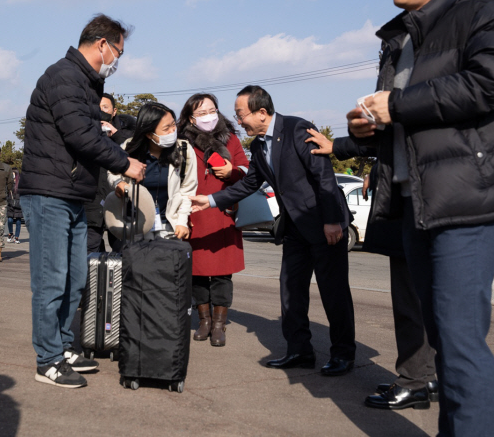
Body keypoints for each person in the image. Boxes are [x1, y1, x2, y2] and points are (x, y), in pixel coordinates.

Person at [346, 0, 494, 434]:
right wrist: (368, 128)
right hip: (414, 203)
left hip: (466, 200)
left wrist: (397, 103)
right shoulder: (400, 37)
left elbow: (493, 82)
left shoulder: (484, 13)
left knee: (458, 337)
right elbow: (407, 121)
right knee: (443, 340)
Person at [190, 85, 356, 376]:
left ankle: (342, 354)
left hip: (324, 225)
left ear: (262, 112)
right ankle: (299, 351)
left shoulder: (297, 129)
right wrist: (211, 200)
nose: (238, 121)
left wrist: (331, 219)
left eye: (241, 115)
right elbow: (249, 183)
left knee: (334, 293)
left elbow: (323, 175)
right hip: (294, 228)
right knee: (290, 292)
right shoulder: (257, 146)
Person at [19, 14, 145, 389]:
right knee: (51, 280)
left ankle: (63, 345)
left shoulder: (87, 84)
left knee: (75, 279)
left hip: (73, 194)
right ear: (102, 44)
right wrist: (125, 163)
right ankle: (48, 359)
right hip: (49, 193)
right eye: (118, 50)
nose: (118, 59)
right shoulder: (64, 76)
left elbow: (85, 130)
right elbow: (78, 136)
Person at [306, 129, 437, 409]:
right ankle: (425, 377)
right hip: (427, 196)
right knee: (423, 299)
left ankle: (414, 381)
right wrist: (377, 171)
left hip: (418, 201)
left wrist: (339, 146)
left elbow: (392, 132)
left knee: (409, 300)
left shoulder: (418, 93)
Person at [177, 93, 249, 346]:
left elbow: (247, 172)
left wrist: (232, 171)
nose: (208, 116)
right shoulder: (180, 143)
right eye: (201, 112)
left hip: (223, 214)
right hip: (193, 214)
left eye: (212, 110)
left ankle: (219, 324)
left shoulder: (230, 140)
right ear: (189, 117)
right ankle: (204, 320)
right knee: (196, 273)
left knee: (222, 274)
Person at [108, 102, 197, 242]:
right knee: (138, 263)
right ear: (149, 134)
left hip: (170, 227)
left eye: (173, 125)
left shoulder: (184, 150)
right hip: (136, 226)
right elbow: (113, 173)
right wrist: (118, 183)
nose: (172, 131)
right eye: (166, 128)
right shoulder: (128, 148)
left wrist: (182, 220)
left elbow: (188, 190)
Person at [85, 93, 135, 254]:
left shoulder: (127, 133)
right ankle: (92, 279)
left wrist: (116, 135)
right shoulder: (84, 132)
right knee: (90, 251)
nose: (101, 111)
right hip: (92, 202)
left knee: (122, 251)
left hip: (119, 203)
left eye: (105, 107)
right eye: (97, 108)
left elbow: (135, 155)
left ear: (114, 111)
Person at [6, 167, 22, 244]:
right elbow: (6, 192)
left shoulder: (21, 183)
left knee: (18, 221)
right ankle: (10, 233)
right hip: (10, 204)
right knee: (10, 220)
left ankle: (17, 237)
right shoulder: (9, 183)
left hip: (19, 205)